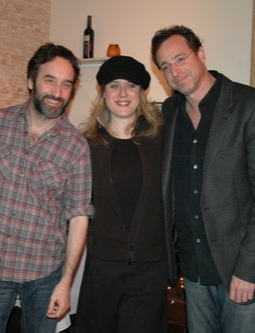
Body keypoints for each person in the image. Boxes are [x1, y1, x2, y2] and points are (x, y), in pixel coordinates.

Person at [150, 25, 255, 332]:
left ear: (200, 54)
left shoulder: (252, 106)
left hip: (240, 269)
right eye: (165, 66)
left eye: (180, 58)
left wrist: (249, 269)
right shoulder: (169, 112)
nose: (174, 71)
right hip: (194, 267)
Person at [0, 43, 93, 333]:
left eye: (67, 84)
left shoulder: (77, 147)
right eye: (50, 80)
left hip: (43, 272)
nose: (58, 92)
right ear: (31, 80)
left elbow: (78, 216)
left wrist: (66, 283)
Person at [74, 56, 177, 333]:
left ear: (141, 93)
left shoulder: (163, 139)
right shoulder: (87, 145)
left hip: (150, 268)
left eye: (131, 86)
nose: (122, 93)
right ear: (103, 92)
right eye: (114, 85)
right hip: (104, 266)